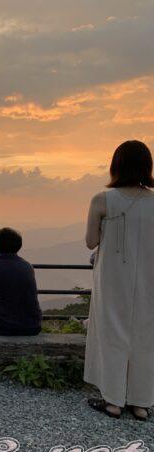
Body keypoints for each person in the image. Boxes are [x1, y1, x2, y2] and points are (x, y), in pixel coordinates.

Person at [85, 140, 154, 421]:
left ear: (116, 166)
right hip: (149, 275)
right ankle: (141, 404)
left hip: (113, 276)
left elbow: (91, 241)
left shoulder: (102, 200)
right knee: (146, 333)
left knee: (112, 331)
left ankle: (113, 401)